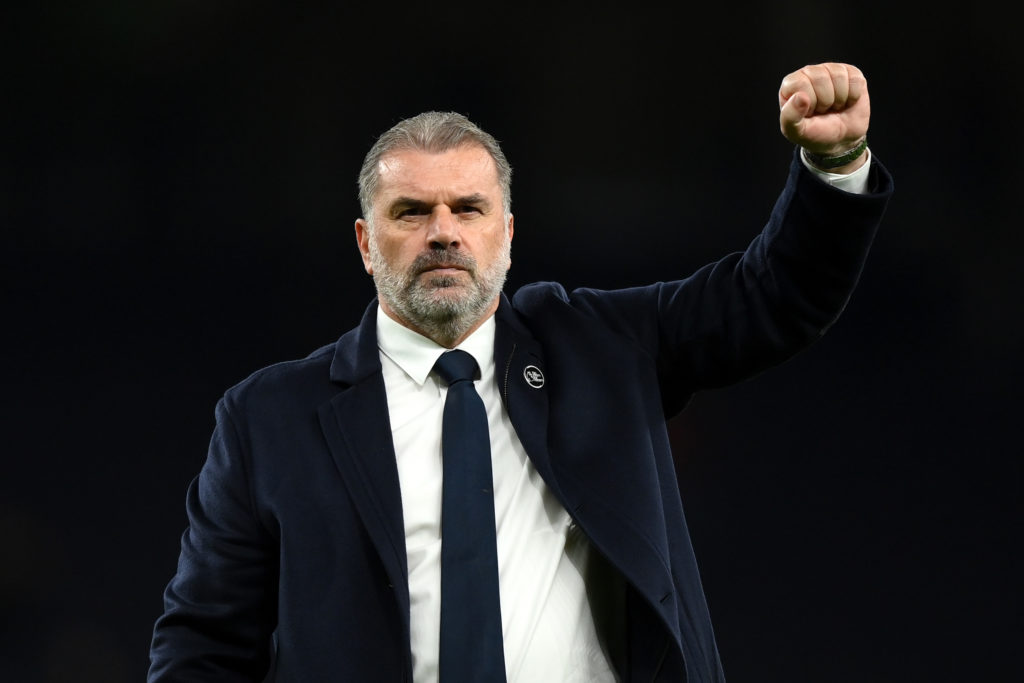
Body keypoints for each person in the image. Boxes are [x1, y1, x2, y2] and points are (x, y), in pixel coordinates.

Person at [148, 62, 893, 682]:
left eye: (468, 208)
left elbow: (771, 298)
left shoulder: (601, 346)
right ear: (365, 243)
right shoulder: (269, 418)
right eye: (410, 212)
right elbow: (202, 647)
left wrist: (832, 167)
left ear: (505, 234)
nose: (443, 231)